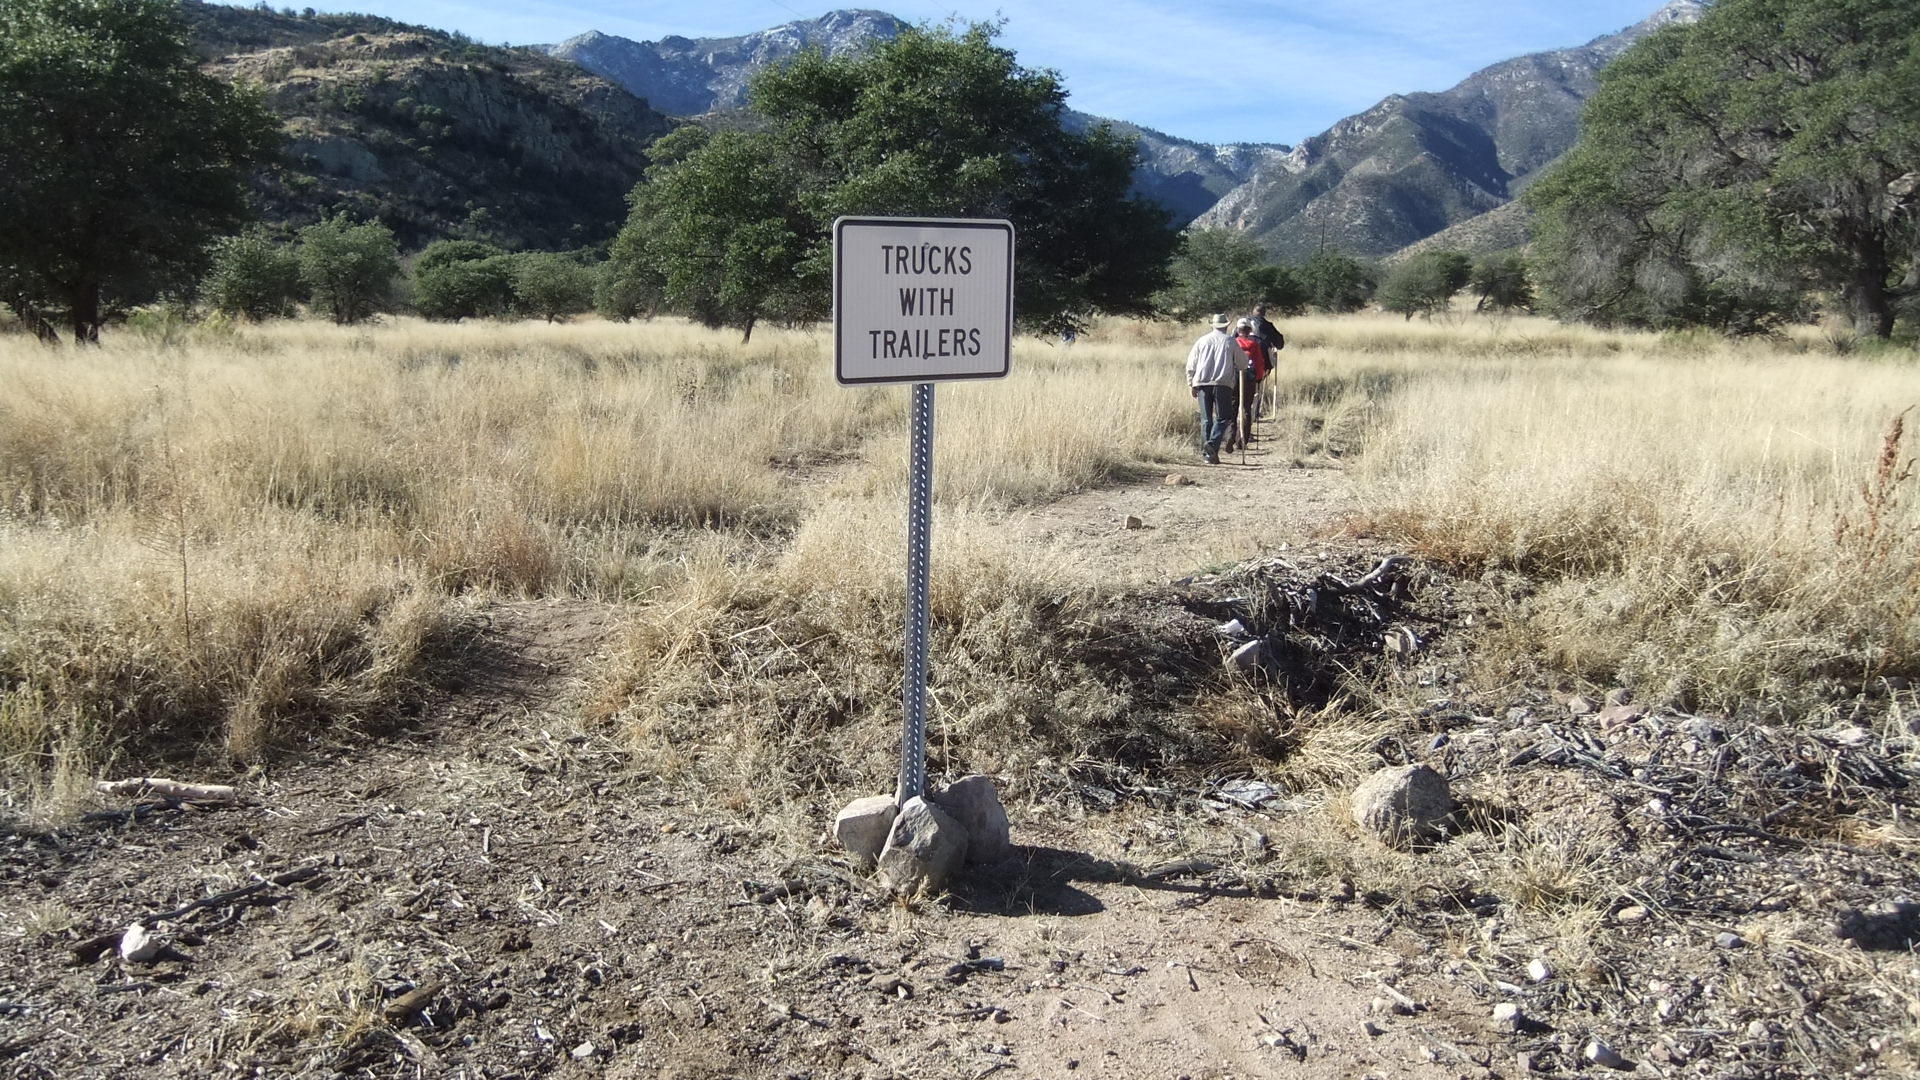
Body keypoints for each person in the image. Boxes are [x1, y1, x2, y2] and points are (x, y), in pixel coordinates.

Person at [1186, 312, 1248, 464]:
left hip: (1202, 384)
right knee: (1223, 417)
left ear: (1212, 325)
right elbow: (1243, 364)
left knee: (1206, 419)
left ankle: (1208, 454)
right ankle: (1212, 445)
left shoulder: (1202, 341)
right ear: (1226, 326)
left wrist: (1190, 383)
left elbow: (1191, 364)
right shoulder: (1231, 342)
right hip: (1222, 384)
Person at [1229, 318, 1267, 452]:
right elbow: (1259, 363)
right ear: (1250, 330)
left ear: (1238, 330)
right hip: (1249, 379)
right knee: (1246, 408)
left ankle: (1231, 437)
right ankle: (1243, 440)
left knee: (1233, 408)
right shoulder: (1255, 344)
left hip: (1233, 379)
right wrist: (1258, 378)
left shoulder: (1233, 343)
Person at [1248, 303, 1286, 427]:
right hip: (1262, 362)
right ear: (1264, 314)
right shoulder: (1268, 326)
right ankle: (1254, 413)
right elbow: (1280, 343)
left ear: (1253, 312)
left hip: (1242, 361)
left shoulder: (1244, 323)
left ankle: (1248, 412)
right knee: (1258, 386)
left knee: (1245, 386)